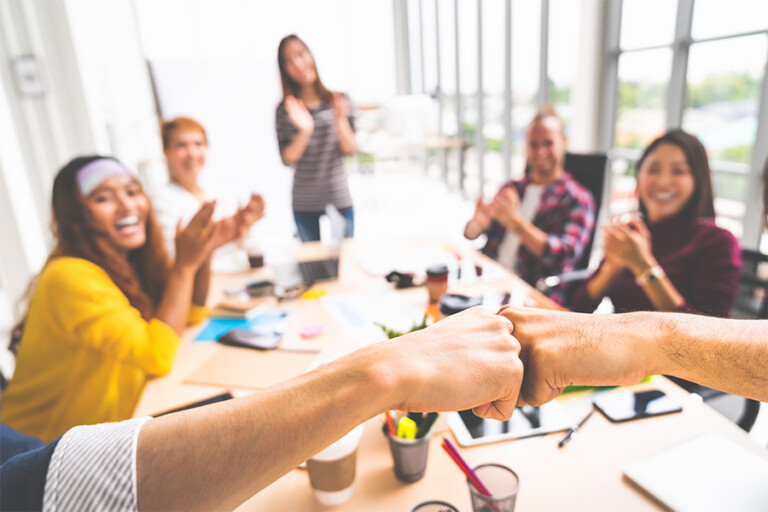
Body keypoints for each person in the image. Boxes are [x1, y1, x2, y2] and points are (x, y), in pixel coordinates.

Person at [1, 307, 523, 511]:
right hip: (69, 429)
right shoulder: (74, 274)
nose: (128, 199)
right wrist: (385, 371)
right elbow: (47, 491)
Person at [0, 156, 246, 443]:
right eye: (103, 198)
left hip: (105, 433)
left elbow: (188, 315)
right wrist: (184, 266)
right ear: (76, 215)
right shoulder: (69, 276)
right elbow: (158, 354)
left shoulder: (126, 262)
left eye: (132, 192)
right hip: (39, 454)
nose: (128, 205)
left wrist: (205, 251)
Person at [569, 130, 741, 316]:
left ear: (697, 180)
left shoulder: (717, 242)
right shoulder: (632, 233)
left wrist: (644, 267)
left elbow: (709, 335)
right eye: (653, 170)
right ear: (639, 177)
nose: (663, 181)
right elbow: (578, 309)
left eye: (678, 171)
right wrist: (611, 268)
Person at [464, 108, 595, 304]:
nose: (540, 151)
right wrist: (478, 224)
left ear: (563, 142)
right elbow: (470, 234)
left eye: (548, 143)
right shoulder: (512, 188)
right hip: (488, 284)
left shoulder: (578, 198)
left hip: (529, 296)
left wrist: (517, 223)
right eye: (533, 144)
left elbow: (565, 254)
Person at [275, 34, 356, 242]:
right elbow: (287, 158)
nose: (298, 64)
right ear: (284, 69)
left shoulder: (339, 100)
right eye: (289, 60)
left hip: (338, 196)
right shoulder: (286, 109)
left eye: (301, 54)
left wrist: (340, 120)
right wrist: (305, 130)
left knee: (344, 265)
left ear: (311, 55)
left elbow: (350, 149)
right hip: (304, 202)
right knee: (312, 269)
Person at [152, 116, 265, 259]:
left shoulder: (217, 193)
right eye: (181, 145)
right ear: (166, 152)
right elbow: (171, 258)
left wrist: (244, 228)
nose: (192, 153)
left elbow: (249, 250)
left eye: (198, 144)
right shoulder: (160, 199)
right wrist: (223, 234)